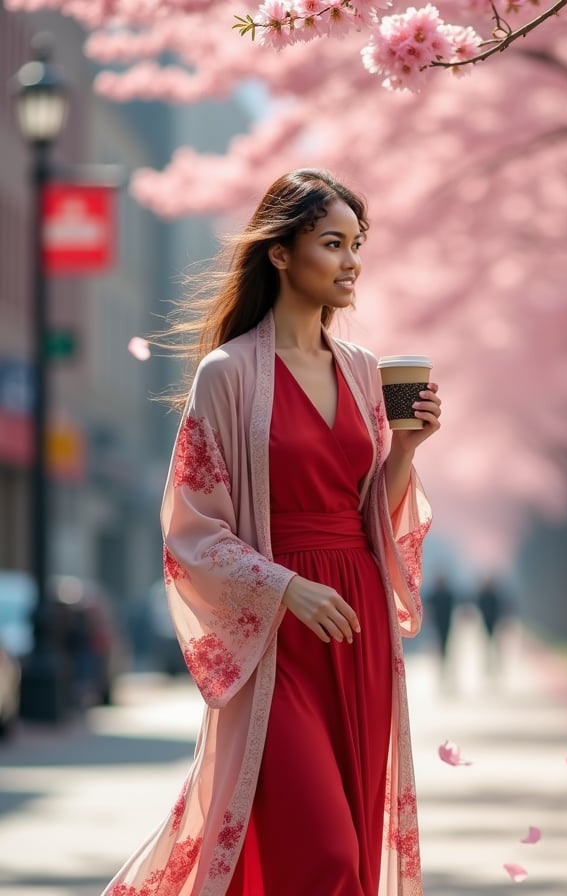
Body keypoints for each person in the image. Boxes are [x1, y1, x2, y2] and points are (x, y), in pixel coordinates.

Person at [103, 169, 441, 896]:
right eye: (332, 243)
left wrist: (405, 453)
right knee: (324, 856)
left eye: (357, 245)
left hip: (357, 627)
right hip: (278, 637)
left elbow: (371, 520)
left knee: (350, 838)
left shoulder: (361, 373)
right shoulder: (227, 376)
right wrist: (287, 588)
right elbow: (193, 528)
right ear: (280, 253)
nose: (351, 262)